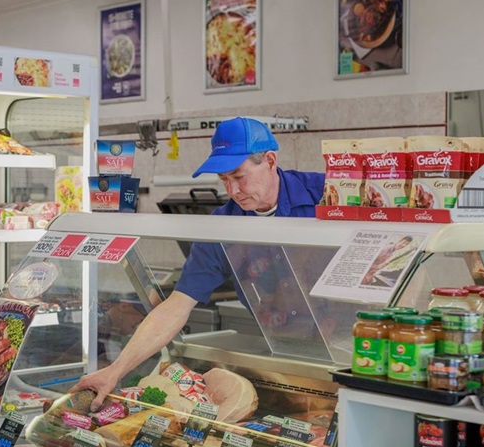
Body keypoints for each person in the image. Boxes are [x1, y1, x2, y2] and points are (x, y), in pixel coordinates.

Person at [75, 117, 323, 410]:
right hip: (282, 356)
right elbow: (176, 306)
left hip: (359, 349)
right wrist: (115, 371)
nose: (232, 191)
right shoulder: (220, 226)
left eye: (238, 176)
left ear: (269, 160)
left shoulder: (324, 193)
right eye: (224, 181)